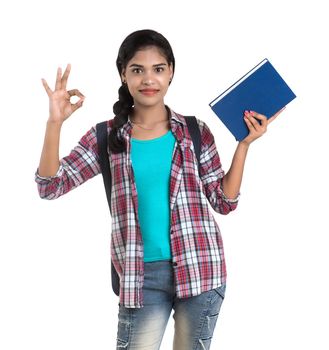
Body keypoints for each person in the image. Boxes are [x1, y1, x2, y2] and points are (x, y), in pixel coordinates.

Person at [35, 29, 283, 350]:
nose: (148, 79)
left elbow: (223, 201)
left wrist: (244, 144)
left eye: (158, 69)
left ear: (171, 73)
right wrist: (54, 123)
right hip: (141, 277)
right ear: (123, 74)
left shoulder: (195, 131)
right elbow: (51, 185)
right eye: (138, 70)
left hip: (201, 269)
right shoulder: (106, 137)